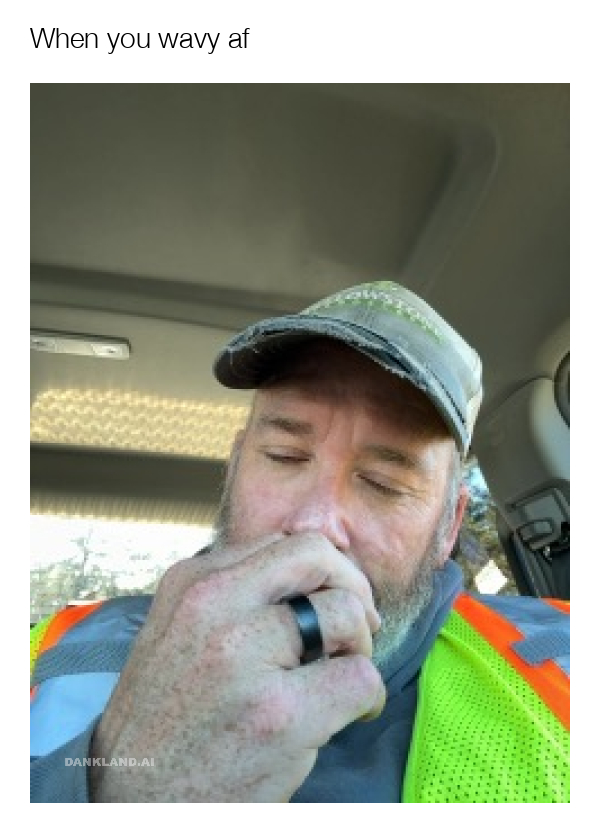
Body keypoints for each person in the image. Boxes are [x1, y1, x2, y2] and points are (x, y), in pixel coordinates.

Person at [30, 280, 569, 802]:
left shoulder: (569, 663)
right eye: (284, 457)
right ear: (234, 467)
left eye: (385, 483)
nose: (317, 524)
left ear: (449, 527)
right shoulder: (45, 654)